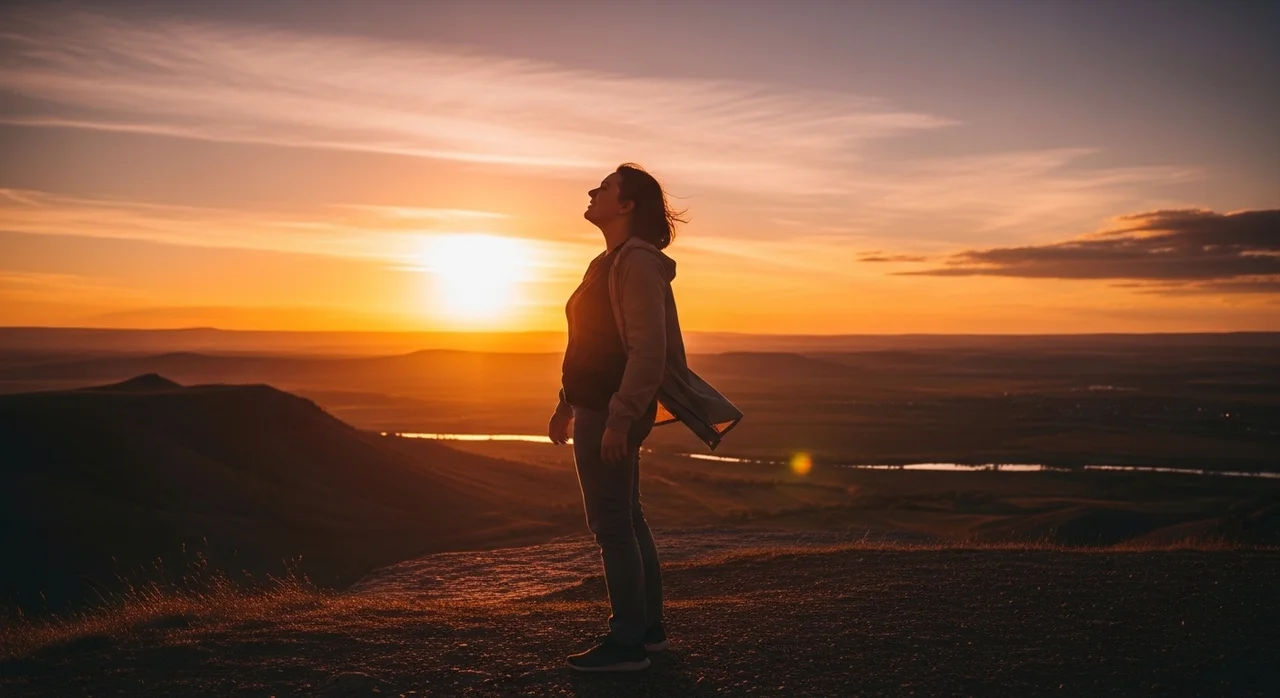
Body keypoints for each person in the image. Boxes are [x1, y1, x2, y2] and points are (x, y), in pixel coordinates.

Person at [550, 163, 743, 672]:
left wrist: (618, 417)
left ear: (628, 205)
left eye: (605, 188)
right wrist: (565, 402)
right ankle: (648, 632)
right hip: (596, 405)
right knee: (627, 518)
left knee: (611, 524)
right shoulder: (606, 262)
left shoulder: (636, 262)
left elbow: (647, 348)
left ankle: (627, 644)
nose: (593, 191)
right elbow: (588, 342)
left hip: (613, 409)